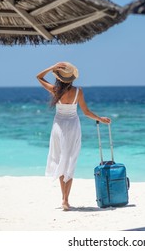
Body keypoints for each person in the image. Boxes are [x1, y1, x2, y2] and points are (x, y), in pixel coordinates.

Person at [36, 61, 111, 211]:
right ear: (72, 78)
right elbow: (86, 112)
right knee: (69, 161)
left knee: (60, 160)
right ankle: (65, 199)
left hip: (59, 127)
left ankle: (64, 199)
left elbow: (39, 77)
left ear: (58, 77)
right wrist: (100, 119)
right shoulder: (78, 92)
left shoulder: (56, 90)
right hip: (73, 127)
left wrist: (53, 67)